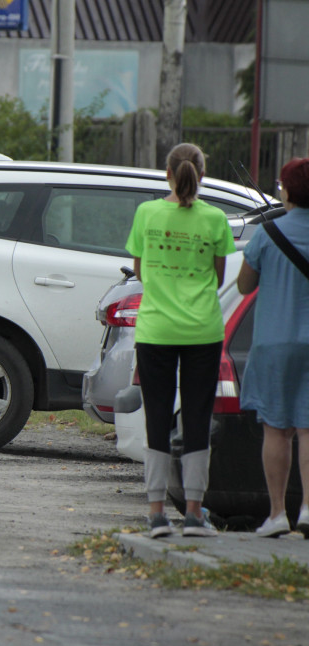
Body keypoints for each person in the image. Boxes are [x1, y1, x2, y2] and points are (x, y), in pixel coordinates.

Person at [126, 142, 236, 538]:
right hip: (202, 330)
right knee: (197, 418)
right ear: (202, 174)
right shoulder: (215, 219)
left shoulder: (147, 213)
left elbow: (140, 270)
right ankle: (193, 512)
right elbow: (220, 277)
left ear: (167, 173)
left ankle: (157, 514)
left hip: (155, 329)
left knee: (155, 416)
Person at [236, 157, 309, 538]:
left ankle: (278, 513)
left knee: (277, 430)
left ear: (285, 190)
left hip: (274, 344)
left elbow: (244, 287)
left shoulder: (267, 234)